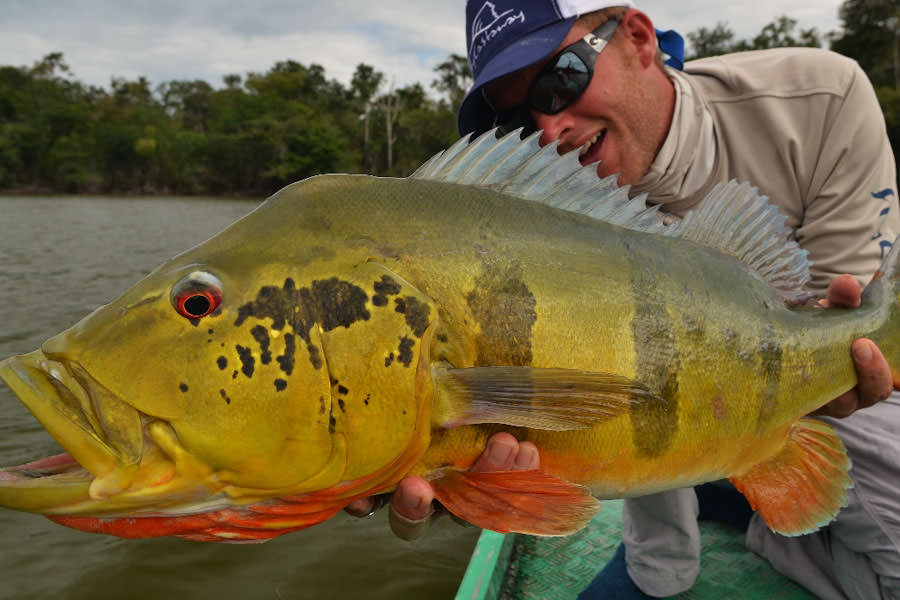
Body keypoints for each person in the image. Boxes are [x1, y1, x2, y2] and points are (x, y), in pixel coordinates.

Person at [348, 1, 900, 597]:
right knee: (636, 383)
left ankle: (749, 515)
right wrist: (439, 465)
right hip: (645, 430)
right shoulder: (544, 212)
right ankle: (665, 560)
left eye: (561, 81)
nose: (549, 132)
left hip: (800, 384)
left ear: (637, 37)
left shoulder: (823, 96)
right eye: (514, 124)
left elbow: (847, 329)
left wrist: (845, 354)